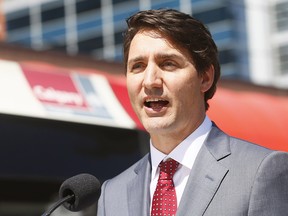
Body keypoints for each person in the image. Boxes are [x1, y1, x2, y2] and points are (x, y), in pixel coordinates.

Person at [97, 9, 288, 216]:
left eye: (168, 64)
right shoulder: (111, 194)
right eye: (138, 66)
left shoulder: (260, 171)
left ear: (205, 78)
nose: (150, 80)